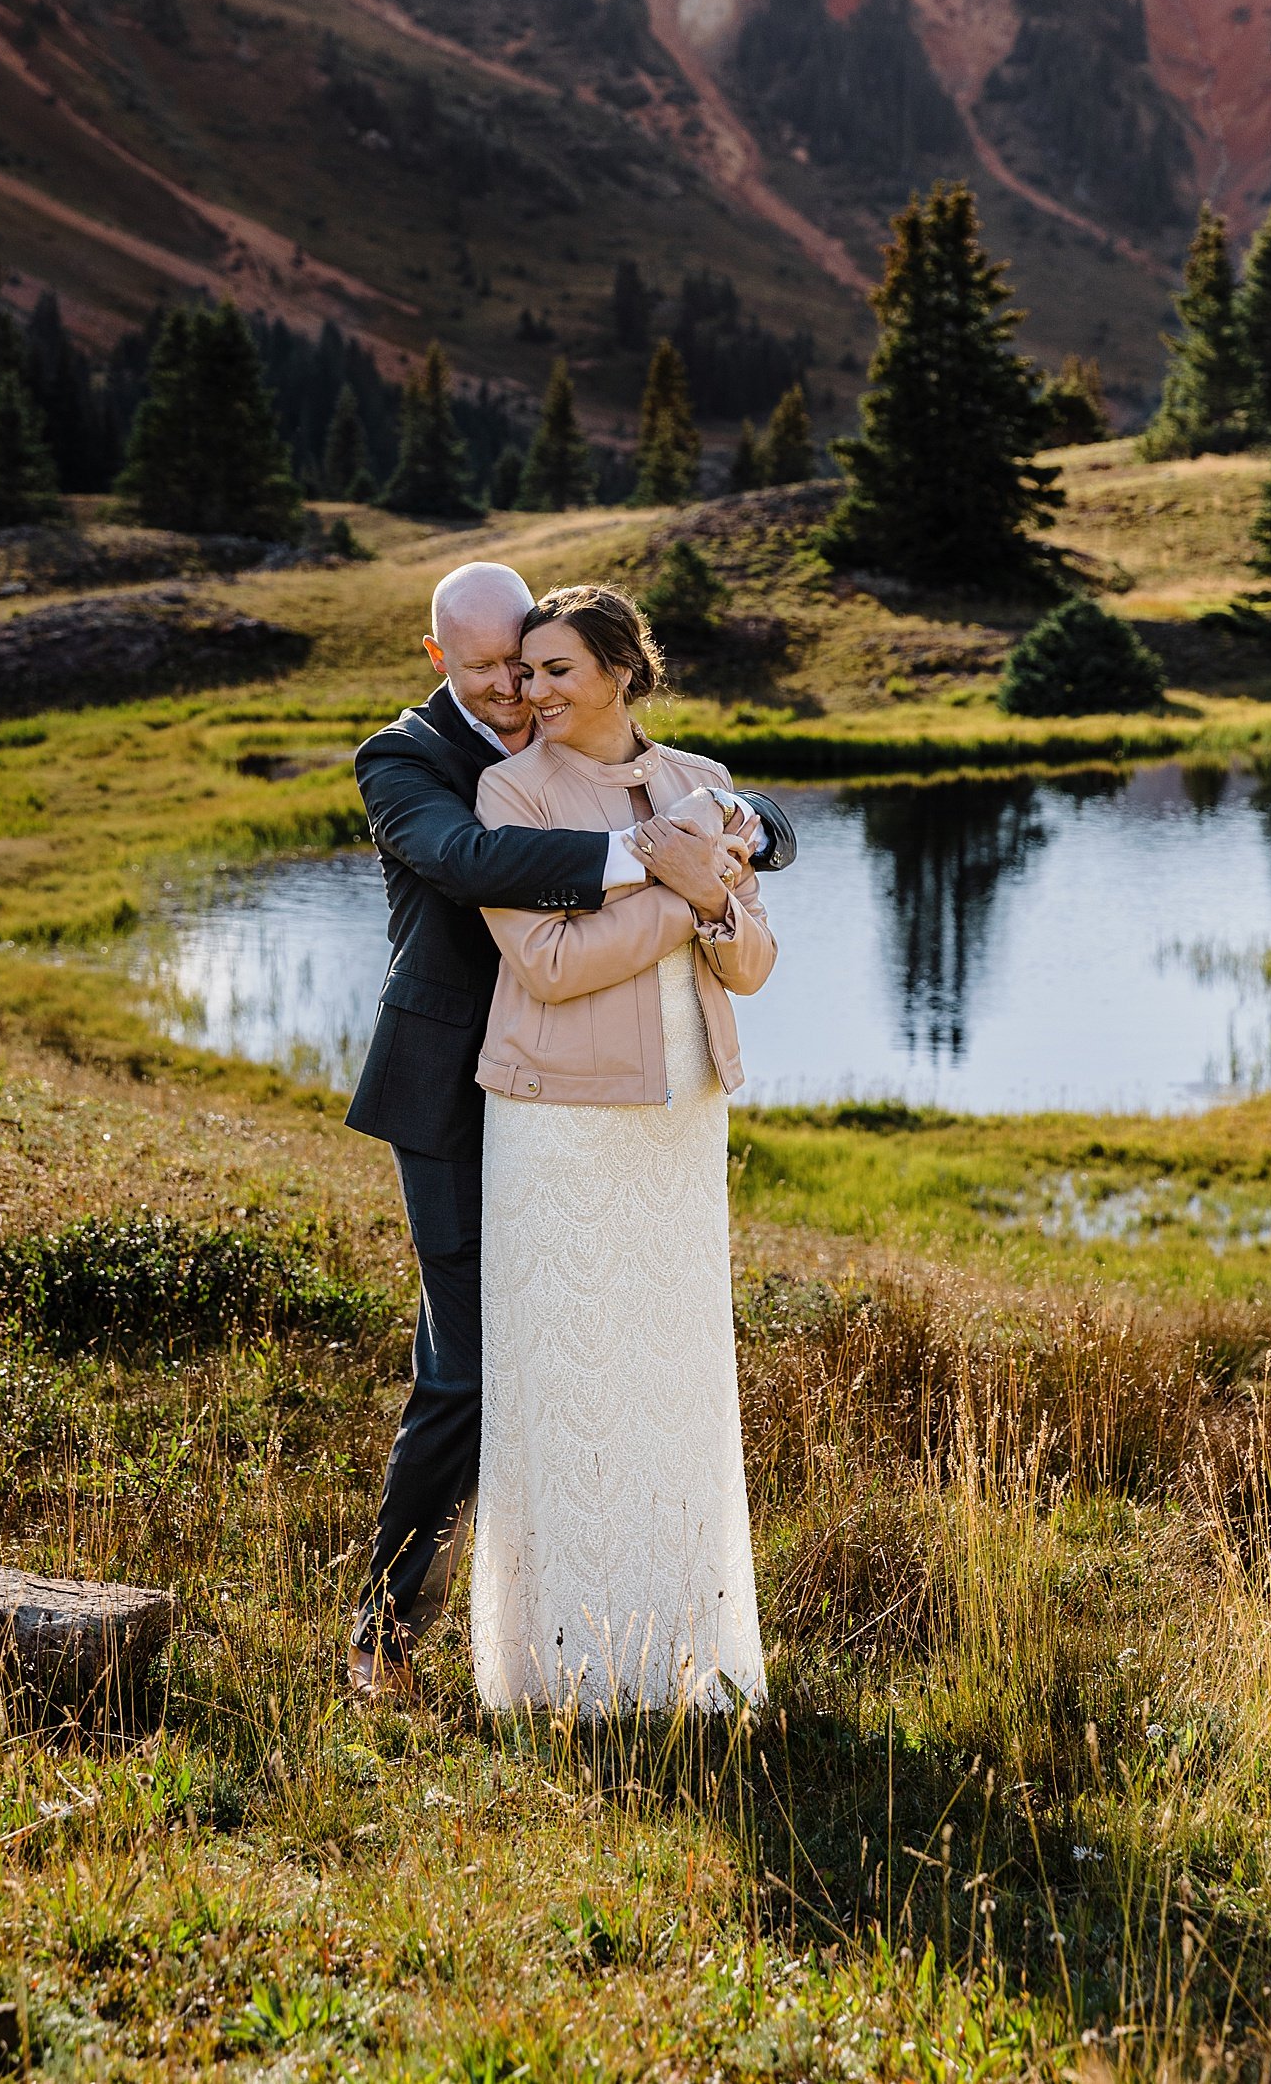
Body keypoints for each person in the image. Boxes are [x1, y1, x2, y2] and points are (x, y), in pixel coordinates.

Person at [345, 561, 794, 1699]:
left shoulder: (639, 757)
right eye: (493, 665)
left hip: (618, 1103)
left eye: (535, 660)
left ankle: (629, 1611)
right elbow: (467, 863)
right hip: (456, 1087)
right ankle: (386, 1631)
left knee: (607, 1354)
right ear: (441, 656)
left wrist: (742, 829)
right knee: (468, 1369)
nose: (518, 688)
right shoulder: (407, 758)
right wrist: (671, 866)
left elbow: (741, 821)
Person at [471, 583, 776, 1716]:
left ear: (621, 670)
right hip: (563, 1123)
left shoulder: (700, 780)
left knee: (673, 1376)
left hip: (684, 1114)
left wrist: (714, 909)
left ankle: (689, 1659)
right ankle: (567, 1668)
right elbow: (547, 963)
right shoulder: (510, 789)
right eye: (526, 671)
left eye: (556, 670)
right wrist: (684, 882)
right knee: (573, 1376)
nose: (531, 691)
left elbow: (750, 965)